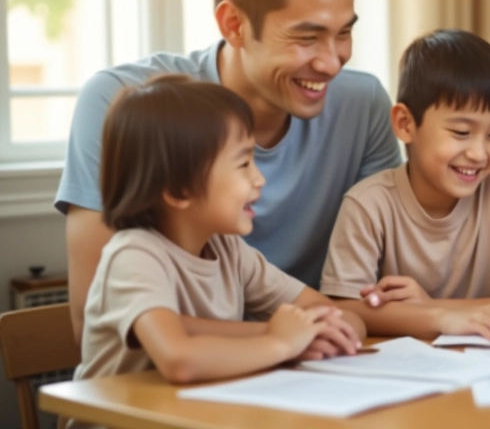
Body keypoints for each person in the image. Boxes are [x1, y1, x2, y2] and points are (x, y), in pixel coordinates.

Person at [56, 0, 402, 343]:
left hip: (307, 375)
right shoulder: (121, 104)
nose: (332, 63)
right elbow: (96, 318)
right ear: (233, 24)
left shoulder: (363, 104)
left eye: (344, 33)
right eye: (306, 37)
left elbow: (369, 296)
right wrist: (277, 340)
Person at [71, 76, 365, 429]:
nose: (259, 179)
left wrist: (318, 330)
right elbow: (180, 359)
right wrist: (281, 342)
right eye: (243, 164)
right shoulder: (134, 255)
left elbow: (334, 314)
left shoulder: (228, 251)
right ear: (178, 189)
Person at [320, 29, 490, 347]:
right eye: (461, 132)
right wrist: (440, 319)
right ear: (406, 124)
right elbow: (343, 307)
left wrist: (433, 307)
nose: (479, 153)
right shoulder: (368, 204)